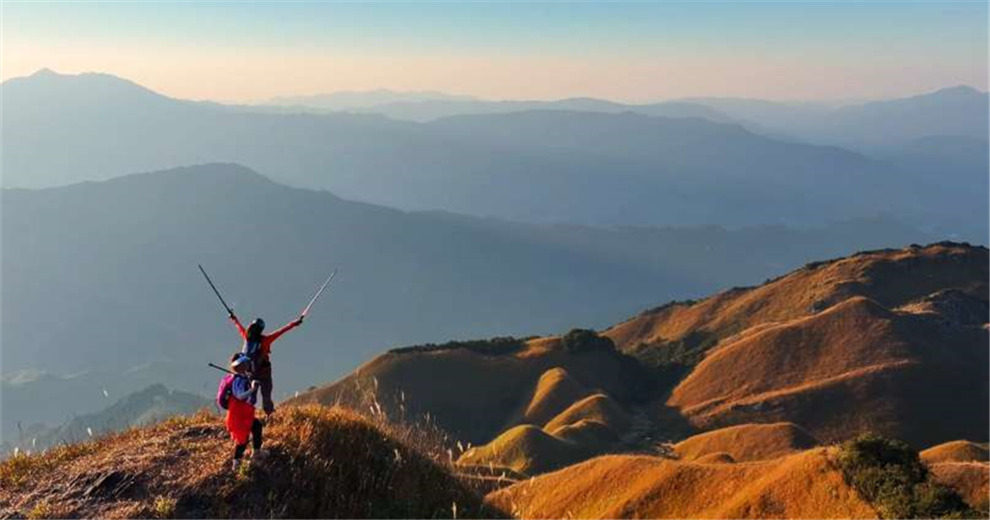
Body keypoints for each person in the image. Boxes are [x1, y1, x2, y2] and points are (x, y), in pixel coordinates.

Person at [228, 311, 303, 416]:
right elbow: (281, 331)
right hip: (264, 372)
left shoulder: (247, 337)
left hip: (251, 373)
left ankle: (247, 416)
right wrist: (295, 323)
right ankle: (269, 414)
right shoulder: (265, 340)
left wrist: (233, 318)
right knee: (266, 394)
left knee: (251, 395)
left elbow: (239, 326)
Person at [225, 353, 264, 471]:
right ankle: (236, 463)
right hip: (239, 415)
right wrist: (252, 389)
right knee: (243, 438)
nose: (247, 365)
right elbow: (240, 396)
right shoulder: (238, 380)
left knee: (256, 426)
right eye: (245, 363)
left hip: (243, 413)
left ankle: (255, 452)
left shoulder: (242, 377)